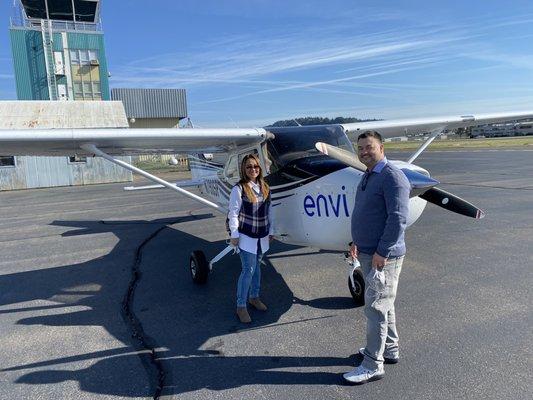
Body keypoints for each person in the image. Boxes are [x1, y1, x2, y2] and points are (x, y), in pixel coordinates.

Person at [343, 130, 410, 385]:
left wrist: (382, 252)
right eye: (360, 148)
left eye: (369, 147)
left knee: (375, 308)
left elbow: (397, 219)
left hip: (385, 257)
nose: (363, 152)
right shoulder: (369, 175)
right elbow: (366, 213)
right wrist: (356, 242)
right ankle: (390, 350)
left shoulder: (393, 177)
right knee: (385, 305)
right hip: (370, 251)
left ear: (381, 147)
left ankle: (372, 364)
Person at [227, 154, 274, 323]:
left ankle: (254, 297)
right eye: (249, 167)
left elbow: (269, 211)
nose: (253, 169)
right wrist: (234, 234)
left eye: (255, 166)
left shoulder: (265, 187)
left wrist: (272, 230)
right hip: (246, 235)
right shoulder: (239, 189)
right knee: (248, 270)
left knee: (257, 268)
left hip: (262, 235)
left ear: (259, 168)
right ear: (244, 169)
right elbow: (233, 213)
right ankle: (241, 306)